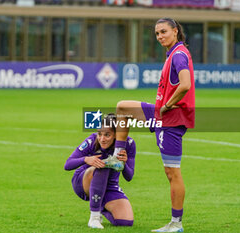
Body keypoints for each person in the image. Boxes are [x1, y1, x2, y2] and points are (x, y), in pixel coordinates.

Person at [109, 17, 195, 232]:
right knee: (123, 108)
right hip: (160, 114)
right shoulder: (172, 54)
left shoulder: (179, 55)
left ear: (175, 31)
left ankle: (176, 223)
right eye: (157, 33)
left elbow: (185, 85)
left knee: (172, 172)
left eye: (164, 31)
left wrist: (168, 104)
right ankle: (119, 157)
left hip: (171, 119)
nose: (160, 36)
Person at [64, 114, 136, 229]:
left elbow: (129, 176)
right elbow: (67, 165)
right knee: (104, 165)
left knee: (125, 222)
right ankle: (94, 217)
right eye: (100, 134)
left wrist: (124, 164)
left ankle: (100, 205)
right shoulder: (92, 140)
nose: (102, 139)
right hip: (83, 181)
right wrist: (86, 159)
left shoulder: (129, 144)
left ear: (116, 135)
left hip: (110, 185)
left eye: (107, 135)